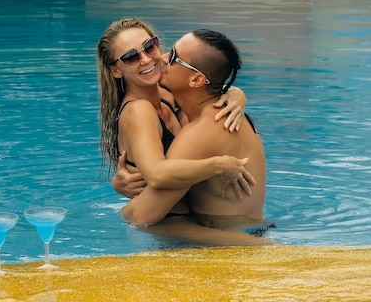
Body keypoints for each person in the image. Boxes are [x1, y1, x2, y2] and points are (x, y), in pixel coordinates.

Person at [97, 18, 256, 222]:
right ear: (116, 70)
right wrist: (220, 165)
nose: (146, 59)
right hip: (165, 226)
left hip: (189, 217)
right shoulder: (138, 110)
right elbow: (156, 174)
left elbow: (203, 87)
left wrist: (236, 94)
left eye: (149, 47)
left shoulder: (166, 95)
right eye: (130, 57)